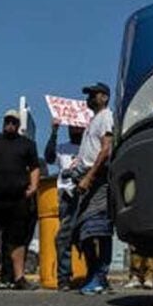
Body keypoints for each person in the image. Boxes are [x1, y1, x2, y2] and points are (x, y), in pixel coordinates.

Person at [0, 110, 40, 290]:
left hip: (18, 199)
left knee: (18, 239)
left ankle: (19, 277)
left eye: (14, 122)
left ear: (18, 124)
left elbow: (35, 166)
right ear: (3, 122)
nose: (10, 124)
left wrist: (34, 186)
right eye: (7, 121)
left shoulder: (27, 144)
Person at [73, 82, 114, 296]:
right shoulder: (93, 120)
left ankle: (99, 276)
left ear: (104, 97)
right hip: (86, 178)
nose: (89, 98)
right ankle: (95, 275)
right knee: (82, 230)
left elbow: (106, 149)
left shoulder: (106, 116)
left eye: (93, 94)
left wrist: (90, 176)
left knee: (97, 229)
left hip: (99, 179)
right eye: (88, 95)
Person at [44, 120, 84, 290]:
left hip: (84, 193)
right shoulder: (62, 147)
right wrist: (54, 131)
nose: (74, 129)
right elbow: (49, 157)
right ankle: (64, 278)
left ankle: (93, 275)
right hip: (66, 195)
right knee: (64, 237)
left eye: (78, 126)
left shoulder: (88, 148)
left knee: (87, 236)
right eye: (71, 126)